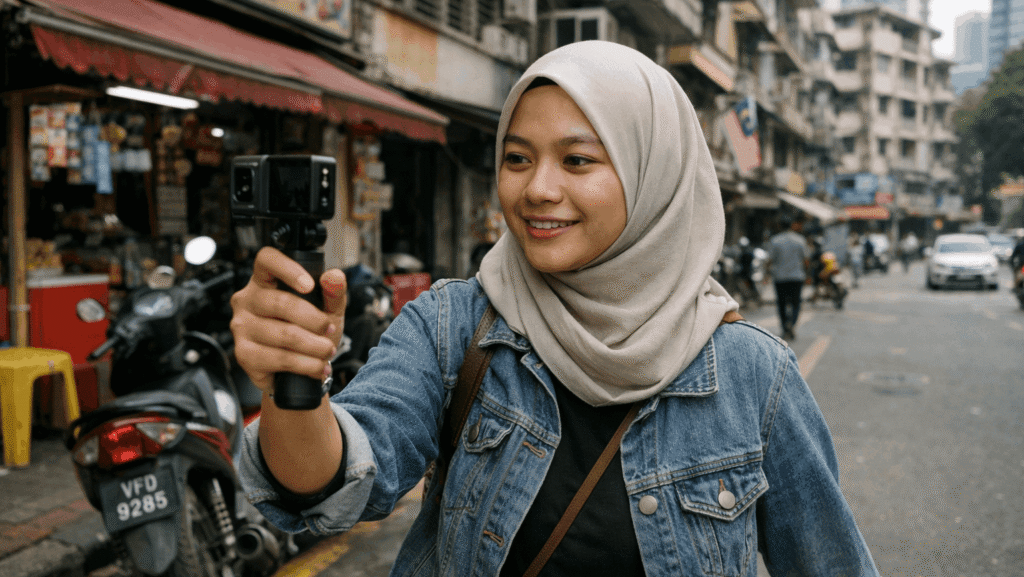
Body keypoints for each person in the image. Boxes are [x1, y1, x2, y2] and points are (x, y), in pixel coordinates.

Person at [229, 41, 879, 576]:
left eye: (577, 160)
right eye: (517, 158)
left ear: (653, 175)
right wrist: (294, 386)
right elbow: (331, 488)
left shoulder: (752, 377)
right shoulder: (454, 325)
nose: (538, 189)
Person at [767, 215, 811, 340]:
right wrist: (807, 274)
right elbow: (806, 260)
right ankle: (791, 324)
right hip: (797, 277)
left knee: (781, 303)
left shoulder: (775, 240)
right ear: (791, 225)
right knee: (796, 303)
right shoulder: (800, 240)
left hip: (780, 278)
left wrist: (766, 273)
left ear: (780, 226)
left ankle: (785, 326)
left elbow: (770, 260)